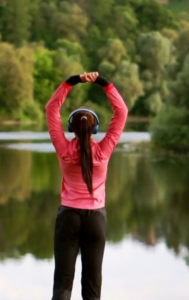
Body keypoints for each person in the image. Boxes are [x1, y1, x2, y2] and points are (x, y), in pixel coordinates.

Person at [45, 72, 128, 300]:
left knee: (63, 281)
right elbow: (121, 113)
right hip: (96, 219)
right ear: (95, 130)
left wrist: (71, 82)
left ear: (71, 128)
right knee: (92, 285)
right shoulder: (103, 151)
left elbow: (52, 109)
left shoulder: (63, 149)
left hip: (68, 216)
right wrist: (105, 83)